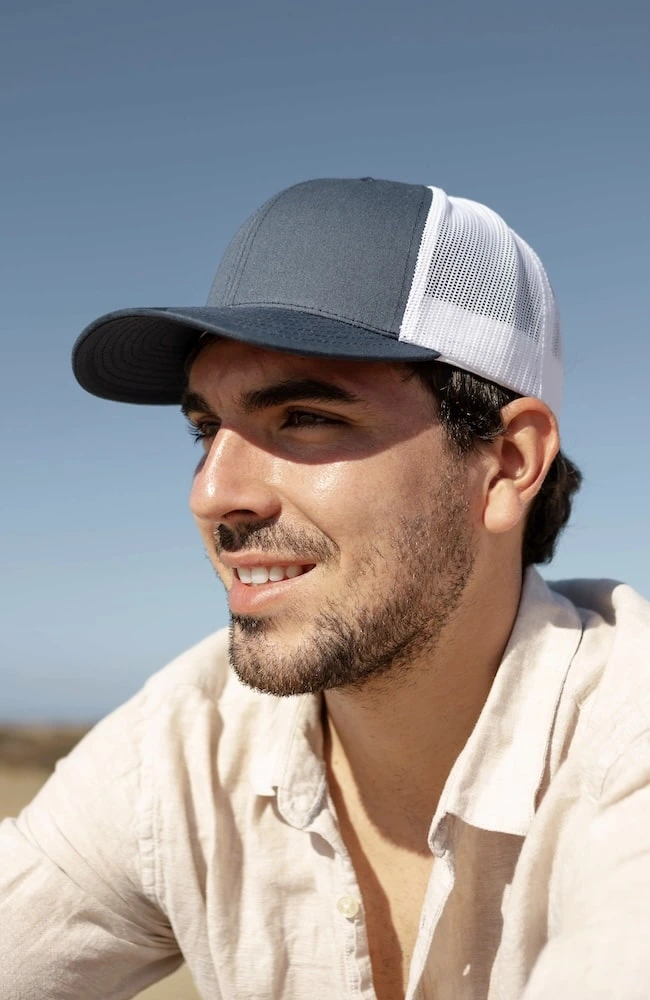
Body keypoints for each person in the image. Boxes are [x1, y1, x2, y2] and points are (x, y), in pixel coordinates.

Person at [1, 177, 649, 1000]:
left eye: (305, 417)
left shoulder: (627, 752)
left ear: (507, 463)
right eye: (207, 430)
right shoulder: (185, 743)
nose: (212, 494)